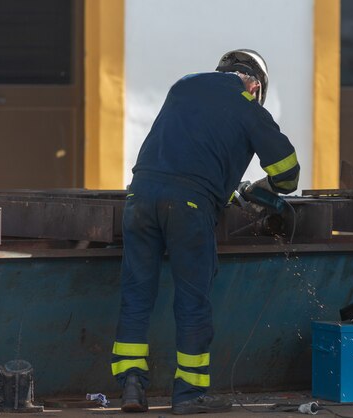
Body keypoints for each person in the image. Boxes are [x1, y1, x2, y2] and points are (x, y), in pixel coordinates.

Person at [111, 49, 300, 415]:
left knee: (136, 295)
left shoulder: (184, 86)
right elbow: (288, 173)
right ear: (256, 85)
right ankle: (188, 395)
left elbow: (192, 148)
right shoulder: (248, 106)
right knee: (192, 301)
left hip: (140, 198)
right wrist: (261, 186)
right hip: (190, 207)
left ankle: (131, 386)